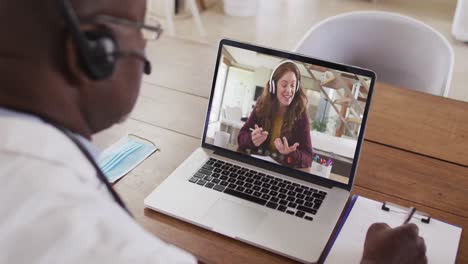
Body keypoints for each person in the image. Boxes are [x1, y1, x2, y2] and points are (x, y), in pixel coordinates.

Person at [0, 0, 426, 263]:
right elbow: (240, 141)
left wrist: (288, 154)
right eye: (142, 29)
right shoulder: (105, 246)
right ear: (96, 53)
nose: (146, 47)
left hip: (294, 188)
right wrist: (254, 142)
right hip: (238, 177)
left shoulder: (300, 119)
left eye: (293, 85)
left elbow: (308, 161)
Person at [238, 61, 313, 168]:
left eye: (293, 85)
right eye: (284, 85)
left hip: (282, 172)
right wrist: (251, 139)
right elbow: (241, 137)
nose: (289, 90)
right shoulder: (262, 104)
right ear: (273, 86)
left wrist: (290, 153)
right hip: (257, 167)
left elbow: (308, 157)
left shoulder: (300, 113)